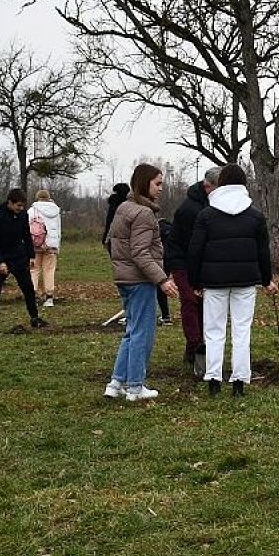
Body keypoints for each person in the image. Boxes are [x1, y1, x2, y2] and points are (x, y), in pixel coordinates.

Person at [187, 164, 275, 397]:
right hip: (246, 281)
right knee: (241, 331)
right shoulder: (255, 215)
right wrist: (267, 280)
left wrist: (194, 282)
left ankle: (214, 379)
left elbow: (195, 251)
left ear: (222, 184)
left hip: (214, 282)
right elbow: (263, 252)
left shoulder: (206, 215)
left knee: (214, 331)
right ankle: (239, 381)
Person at [104, 164, 179, 402]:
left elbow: (110, 242)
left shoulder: (124, 207)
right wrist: (162, 279)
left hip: (124, 278)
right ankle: (135, 386)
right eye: (157, 183)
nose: (161, 188)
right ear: (144, 183)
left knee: (131, 331)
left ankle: (116, 383)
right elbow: (140, 253)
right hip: (140, 281)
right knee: (141, 334)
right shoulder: (144, 213)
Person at [164, 167, 220, 375]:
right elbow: (192, 244)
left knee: (203, 302)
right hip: (182, 260)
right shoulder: (191, 209)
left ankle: (201, 345)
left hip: (201, 262)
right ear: (208, 187)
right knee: (189, 299)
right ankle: (195, 344)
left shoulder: (211, 204)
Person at [0, 188, 47, 331]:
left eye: (22, 205)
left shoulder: (23, 215)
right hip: (2, 257)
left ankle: (34, 318)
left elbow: (26, 235)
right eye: (18, 205)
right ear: (10, 203)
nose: (21, 208)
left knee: (28, 289)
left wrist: (30, 256)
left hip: (18, 256)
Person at [28, 189, 63, 307]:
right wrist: (57, 245)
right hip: (51, 245)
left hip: (35, 244)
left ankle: (32, 295)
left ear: (37, 198)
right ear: (49, 197)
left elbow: (27, 228)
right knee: (49, 270)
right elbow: (58, 229)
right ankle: (49, 298)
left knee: (34, 269)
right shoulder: (56, 211)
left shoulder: (32, 210)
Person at [101, 183, 130, 252]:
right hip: (124, 239)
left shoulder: (112, 203)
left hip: (112, 238)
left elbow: (108, 222)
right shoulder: (128, 204)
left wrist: (105, 237)